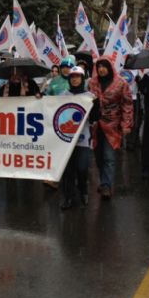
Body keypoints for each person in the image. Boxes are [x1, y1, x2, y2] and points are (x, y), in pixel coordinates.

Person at [88, 57, 133, 199]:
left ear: (110, 67)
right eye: (99, 66)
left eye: (104, 66)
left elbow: (127, 104)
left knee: (109, 156)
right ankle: (103, 181)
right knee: (99, 156)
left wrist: (126, 124)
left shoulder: (121, 83)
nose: (101, 69)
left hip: (112, 125)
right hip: (95, 126)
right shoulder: (91, 83)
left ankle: (107, 185)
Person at [59, 66, 93, 209]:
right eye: (72, 77)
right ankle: (68, 197)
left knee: (82, 168)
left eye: (77, 76)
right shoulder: (62, 95)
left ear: (82, 78)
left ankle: (83, 190)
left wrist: (95, 105)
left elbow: (96, 117)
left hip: (83, 139)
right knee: (68, 170)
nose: (75, 79)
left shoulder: (90, 96)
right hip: (65, 140)